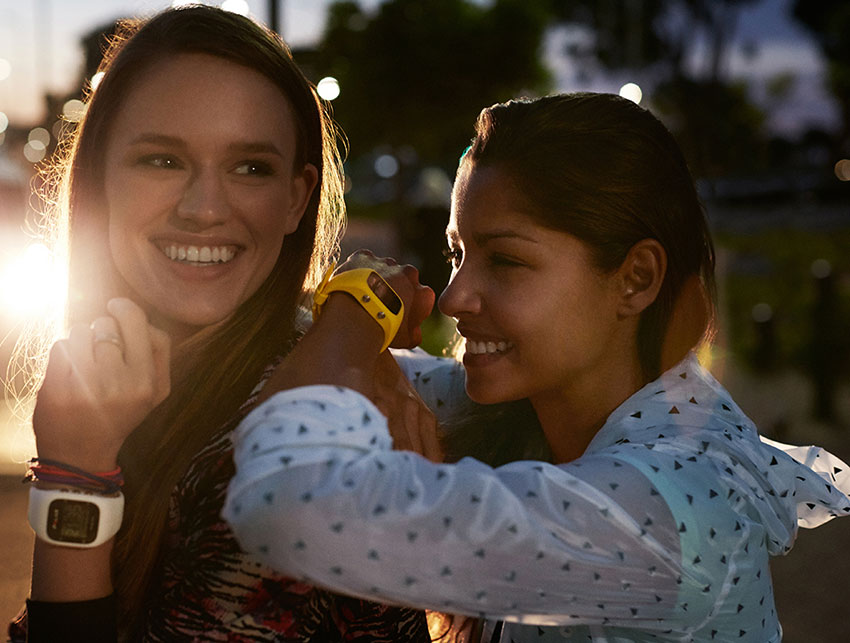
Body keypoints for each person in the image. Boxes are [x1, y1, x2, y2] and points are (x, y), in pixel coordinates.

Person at [223, 93, 850, 642]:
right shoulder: (536, 408)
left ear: (636, 279)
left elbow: (289, 505)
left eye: (506, 261)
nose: (453, 298)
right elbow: (280, 362)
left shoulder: (669, 509)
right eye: (457, 254)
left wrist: (360, 308)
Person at [9, 6, 435, 641]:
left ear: (296, 198)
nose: (205, 209)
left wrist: (76, 476)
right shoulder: (147, 390)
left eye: (250, 167)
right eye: (162, 160)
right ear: (98, 178)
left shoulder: (298, 445)